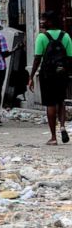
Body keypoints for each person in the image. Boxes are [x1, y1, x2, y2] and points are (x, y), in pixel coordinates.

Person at [27, 10, 72, 145]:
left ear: (50, 21)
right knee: (61, 101)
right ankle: (63, 126)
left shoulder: (42, 37)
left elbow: (37, 59)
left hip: (47, 75)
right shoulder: (66, 37)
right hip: (61, 74)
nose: (41, 22)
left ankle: (53, 137)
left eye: (44, 20)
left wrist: (31, 77)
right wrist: (66, 73)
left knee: (50, 104)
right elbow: (70, 58)